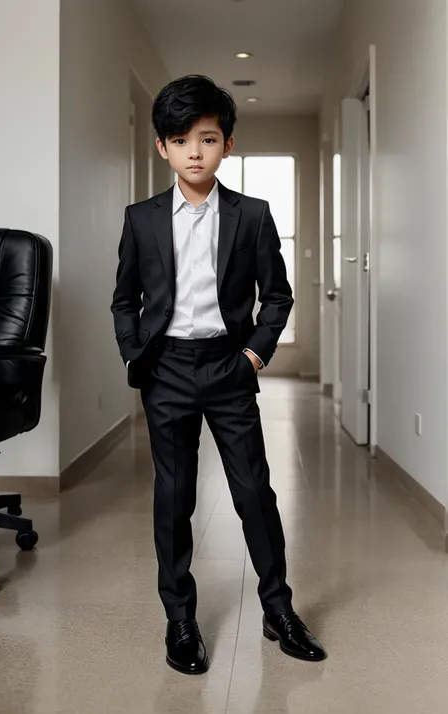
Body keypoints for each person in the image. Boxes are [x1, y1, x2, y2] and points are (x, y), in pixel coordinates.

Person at [111, 75, 326, 674]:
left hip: (229, 368)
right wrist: (136, 355)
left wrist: (255, 355)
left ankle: (278, 609)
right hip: (168, 369)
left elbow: (276, 297)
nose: (195, 151)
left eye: (207, 138)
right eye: (181, 140)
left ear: (227, 144)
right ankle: (181, 620)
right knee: (173, 497)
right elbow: (124, 299)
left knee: (253, 490)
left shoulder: (252, 216)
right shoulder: (142, 218)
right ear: (163, 148)